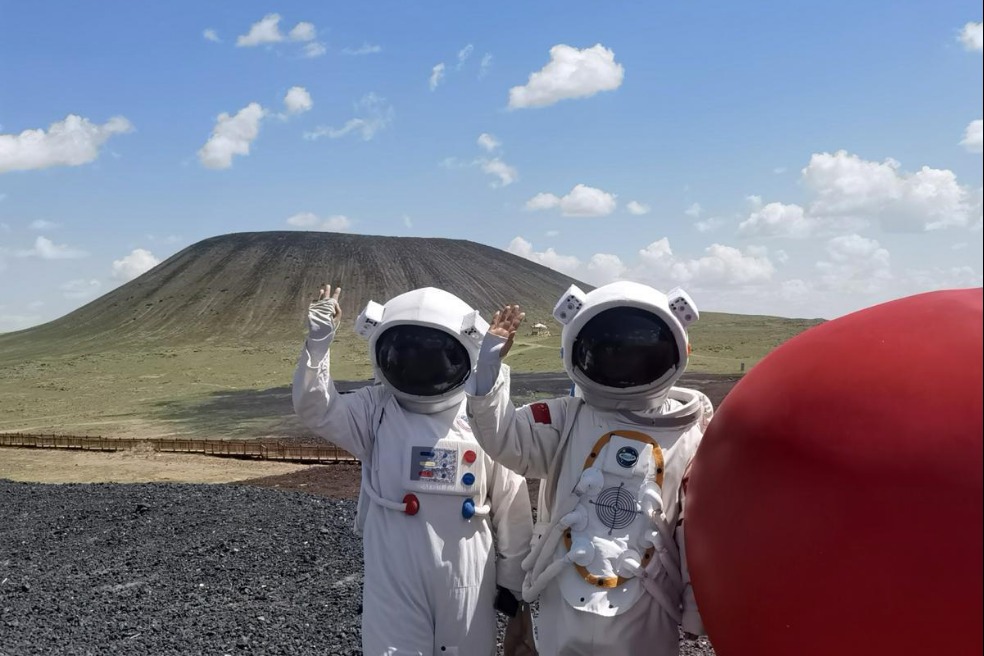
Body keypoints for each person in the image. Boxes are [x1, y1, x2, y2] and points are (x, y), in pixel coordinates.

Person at [464, 280, 713, 656]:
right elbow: (504, 438)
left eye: (638, 349)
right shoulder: (565, 419)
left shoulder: (690, 431)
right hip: (564, 590)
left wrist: (696, 605)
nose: (624, 358)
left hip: (646, 601)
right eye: (610, 349)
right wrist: (490, 369)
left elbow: (696, 526)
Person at [292, 283, 536, 656]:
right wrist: (319, 342)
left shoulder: (482, 416)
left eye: (435, 353)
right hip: (395, 567)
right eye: (408, 352)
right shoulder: (376, 408)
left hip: (468, 569)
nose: (422, 362)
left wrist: (515, 585)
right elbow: (317, 408)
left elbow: (510, 497)